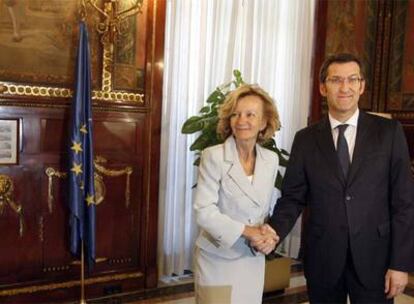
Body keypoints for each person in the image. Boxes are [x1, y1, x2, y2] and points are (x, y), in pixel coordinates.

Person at [254, 53, 414, 303]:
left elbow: (404, 203)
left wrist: (400, 263)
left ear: (361, 86)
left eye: (352, 79)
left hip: (376, 258)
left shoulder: (389, 133)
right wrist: (273, 231)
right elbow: (293, 198)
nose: (345, 87)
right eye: (336, 80)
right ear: (322, 87)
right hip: (323, 257)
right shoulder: (305, 139)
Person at [193, 84, 280, 304]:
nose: (242, 120)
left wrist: (269, 235)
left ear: (263, 122)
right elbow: (204, 212)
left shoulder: (271, 160)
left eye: (250, 114)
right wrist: (248, 231)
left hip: (252, 259)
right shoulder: (213, 156)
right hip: (218, 260)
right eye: (236, 114)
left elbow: (263, 210)